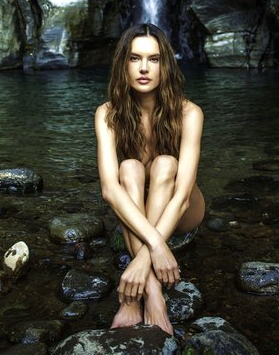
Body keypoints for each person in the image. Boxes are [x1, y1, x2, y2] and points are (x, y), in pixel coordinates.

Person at [95, 23, 205, 335]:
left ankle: (137, 285)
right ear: (123, 64)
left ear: (165, 65)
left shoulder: (189, 113)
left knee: (166, 164)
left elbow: (183, 196)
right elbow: (109, 190)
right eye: (135, 58)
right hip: (137, 209)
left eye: (154, 59)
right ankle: (153, 294)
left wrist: (143, 257)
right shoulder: (108, 113)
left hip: (183, 210)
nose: (144, 68)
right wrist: (157, 246)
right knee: (128, 168)